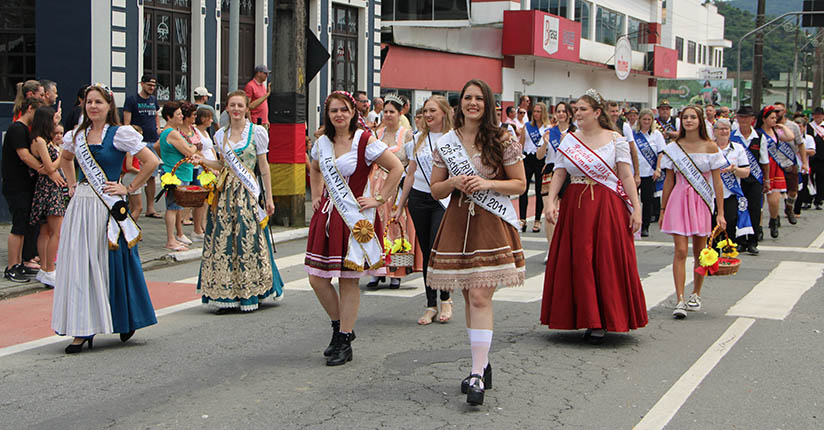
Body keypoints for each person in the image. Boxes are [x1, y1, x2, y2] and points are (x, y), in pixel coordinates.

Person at [428, 79, 526, 405]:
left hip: (491, 223)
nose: (472, 103)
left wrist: (486, 182)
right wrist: (454, 181)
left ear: (488, 104)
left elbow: (520, 184)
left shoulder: (502, 139)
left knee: (481, 297)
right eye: (467, 98)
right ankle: (480, 365)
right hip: (458, 222)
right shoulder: (447, 142)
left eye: (478, 98)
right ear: (460, 104)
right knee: (471, 298)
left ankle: (476, 376)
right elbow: (435, 190)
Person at [52, 83, 160, 353]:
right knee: (80, 264)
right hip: (82, 206)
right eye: (89, 102)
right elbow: (66, 159)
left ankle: (124, 318)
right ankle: (81, 328)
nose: (93, 107)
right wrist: (71, 184)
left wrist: (129, 187)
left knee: (112, 262)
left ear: (109, 105)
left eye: (98, 102)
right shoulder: (76, 136)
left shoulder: (120, 133)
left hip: (108, 207)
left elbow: (151, 162)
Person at [305, 90, 403, 366]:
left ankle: (343, 339)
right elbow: (315, 168)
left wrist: (379, 198)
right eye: (334, 110)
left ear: (353, 113)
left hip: (354, 217)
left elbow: (396, 168)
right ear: (328, 113)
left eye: (344, 110)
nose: (339, 115)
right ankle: (340, 327)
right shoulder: (322, 143)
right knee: (317, 278)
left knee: (348, 279)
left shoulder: (364, 141)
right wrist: (315, 195)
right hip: (326, 216)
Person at [541, 89, 646, 343]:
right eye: (575, 109)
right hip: (576, 205)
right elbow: (559, 172)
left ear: (597, 113)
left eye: (582, 110)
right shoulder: (569, 140)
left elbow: (624, 175)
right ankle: (583, 316)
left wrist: (637, 207)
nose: (577, 113)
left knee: (604, 260)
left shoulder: (616, 139)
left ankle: (604, 319)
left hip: (606, 204)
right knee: (579, 259)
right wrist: (551, 201)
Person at [196, 90, 284, 313]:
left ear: (247, 108)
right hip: (226, 194)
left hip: (248, 193)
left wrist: (269, 198)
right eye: (232, 105)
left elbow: (263, 168)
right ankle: (227, 293)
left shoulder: (257, 133)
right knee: (224, 241)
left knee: (248, 239)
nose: (236, 109)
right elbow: (222, 166)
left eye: (240, 106)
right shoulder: (220, 135)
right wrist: (203, 160)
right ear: (226, 108)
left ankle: (252, 290)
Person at [659, 105, 727, 319]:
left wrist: (721, 213)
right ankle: (679, 299)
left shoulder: (711, 147)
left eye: (693, 117)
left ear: (700, 121)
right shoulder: (674, 147)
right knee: (680, 250)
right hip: (678, 200)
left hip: (702, 201)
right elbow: (668, 180)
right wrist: (662, 208)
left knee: (700, 252)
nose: (689, 120)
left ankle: (695, 293)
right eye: (685, 117)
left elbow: (717, 182)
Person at [395, 95, 454, 325]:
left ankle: (446, 298)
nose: (428, 115)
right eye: (425, 111)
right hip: (419, 198)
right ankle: (431, 304)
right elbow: (410, 174)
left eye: (432, 111)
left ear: (444, 113)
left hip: (442, 199)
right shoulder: (416, 139)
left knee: (440, 249)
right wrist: (400, 205)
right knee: (427, 251)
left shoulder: (453, 139)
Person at [366, 93, 422, 289]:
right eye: (386, 111)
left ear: (400, 113)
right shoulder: (376, 134)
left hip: (396, 185)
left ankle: (396, 272)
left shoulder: (407, 135)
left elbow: (411, 165)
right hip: (375, 186)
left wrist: (405, 190)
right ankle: (375, 270)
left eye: (392, 112)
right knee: (375, 227)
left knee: (395, 226)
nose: (388, 115)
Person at [3, 97, 50, 283]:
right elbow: (23, 155)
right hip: (16, 186)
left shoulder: (24, 130)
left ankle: (20, 263)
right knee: (18, 227)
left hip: (24, 186)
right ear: (29, 108)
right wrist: (43, 168)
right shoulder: (17, 129)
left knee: (23, 226)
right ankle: (11, 267)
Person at [28, 106, 68, 287]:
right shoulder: (40, 141)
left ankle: (45, 268)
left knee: (46, 231)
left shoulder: (46, 140)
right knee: (56, 231)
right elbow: (50, 167)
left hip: (51, 187)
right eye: (53, 118)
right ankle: (49, 268)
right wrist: (63, 155)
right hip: (49, 189)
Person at [536, 101, 575, 262]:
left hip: (569, 172)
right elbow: (539, 156)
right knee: (549, 211)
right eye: (558, 111)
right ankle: (551, 248)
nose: (560, 114)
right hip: (551, 171)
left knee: (568, 213)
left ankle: (567, 247)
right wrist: (545, 143)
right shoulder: (548, 132)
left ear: (569, 114)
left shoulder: (575, 133)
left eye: (563, 111)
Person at [157, 101, 198, 251]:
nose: (182, 117)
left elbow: (157, 147)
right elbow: (189, 151)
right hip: (176, 174)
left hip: (179, 172)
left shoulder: (169, 132)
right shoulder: (172, 133)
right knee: (172, 207)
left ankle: (176, 236)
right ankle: (170, 239)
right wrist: (194, 146)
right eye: (179, 114)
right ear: (169, 117)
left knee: (177, 207)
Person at [123, 75, 162, 219]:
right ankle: (133, 205)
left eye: (154, 86)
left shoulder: (153, 100)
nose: (151, 88)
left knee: (152, 175)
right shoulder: (132, 100)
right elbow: (126, 120)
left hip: (152, 138)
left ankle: (150, 208)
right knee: (138, 172)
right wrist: (128, 135)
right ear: (142, 84)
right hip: (138, 142)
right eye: (149, 85)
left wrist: (158, 127)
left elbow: (156, 114)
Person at [731, 106, 768, 255]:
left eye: (747, 117)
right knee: (738, 209)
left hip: (754, 179)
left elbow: (764, 161)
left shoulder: (759, 137)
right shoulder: (732, 136)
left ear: (753, 119)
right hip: (737, 179)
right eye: (741, 117)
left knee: (754, 209)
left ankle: (753, 241)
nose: (744, 120)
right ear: (737, 118)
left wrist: (767, 180)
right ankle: (740, 241)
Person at [755, 105, 795, 239]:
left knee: (774, 200)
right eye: (771, 118)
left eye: (775, 118)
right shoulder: (757, 132)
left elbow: (790, 137)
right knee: (759, 201)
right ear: (764, 119)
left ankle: (773, 220)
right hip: (761, 167)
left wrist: (781, 126)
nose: (774, 120)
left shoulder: (776, 132)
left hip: (775, 167)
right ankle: (758, 227)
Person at [712, 119, 752, 243]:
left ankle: (727, 255)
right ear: (714, 132)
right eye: (721, 129)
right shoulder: (708, 147)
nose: (724, 131)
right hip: (711, 194)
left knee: (729, 226)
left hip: (730, 194)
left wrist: (734, 169)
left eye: (726, 129)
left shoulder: (738, 148)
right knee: (711, 229)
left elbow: (746, 172)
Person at [518, 102, 550, 233]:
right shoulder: (527, 127)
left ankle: (537, 219)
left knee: (539, 190)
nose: (536, 114)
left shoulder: (548, 128)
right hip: (527, 158)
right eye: (534, 111)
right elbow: (521, 144)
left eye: (538, 111)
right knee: (523, 189)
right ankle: (523, 219)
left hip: (540, 159)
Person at [774, 102, 808, 225]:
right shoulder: (770, 126)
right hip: (776, 162)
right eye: (774, 111)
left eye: (778, 111)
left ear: (784, 111)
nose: (776, 113)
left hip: (790, 162)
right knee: (775, 193)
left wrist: (804, 162)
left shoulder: (793, 126)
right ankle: (775, 216)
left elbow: (800, 144)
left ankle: (789, 207)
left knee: (793, 190)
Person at [634, 109, 666, 237]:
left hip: (649, 172)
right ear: (639, 120)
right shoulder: (633, 134)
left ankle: (645, 227)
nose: (646, 122)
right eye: (644, 119)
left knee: (647, 201)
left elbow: (661, 152)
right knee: (632, 200)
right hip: (634, 172)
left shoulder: (656, 134)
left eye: (649, 120)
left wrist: (658, 169)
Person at [177, 102, 206, 241]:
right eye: (193, 115)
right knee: (182, 200)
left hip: (197, 166)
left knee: (199, 199)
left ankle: (197, 229)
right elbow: (188, 150)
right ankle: (179, 232)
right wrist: (194, 148)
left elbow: (198, 148)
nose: (195, 117)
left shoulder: (193, 130)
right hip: (184, 167)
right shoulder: (178, 132)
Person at [607, 101, 641, 186]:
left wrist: (637, 174)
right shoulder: (601, 127)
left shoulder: (624, 127)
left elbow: (633, 150)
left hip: (623, 170)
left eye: (616, 111)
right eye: (612, 111)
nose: (615, 114)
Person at [806, 107, 824, 210]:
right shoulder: (809, 127)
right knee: (809, 179)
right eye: (815, 115)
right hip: (810, 157)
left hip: (822, 158)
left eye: (820, 115)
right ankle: (807, 200)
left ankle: (819, 200)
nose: (817, 116)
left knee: (821, 180)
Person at [245, 64, 271, 129]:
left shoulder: (263, 86)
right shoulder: (250, 86)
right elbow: (248, 106)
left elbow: (264, 104)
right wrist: (251, 123)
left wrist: (266, 120)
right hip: (255, 122)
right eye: (265, 73)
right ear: (259, 73)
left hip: (264, 122)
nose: (267, 75)